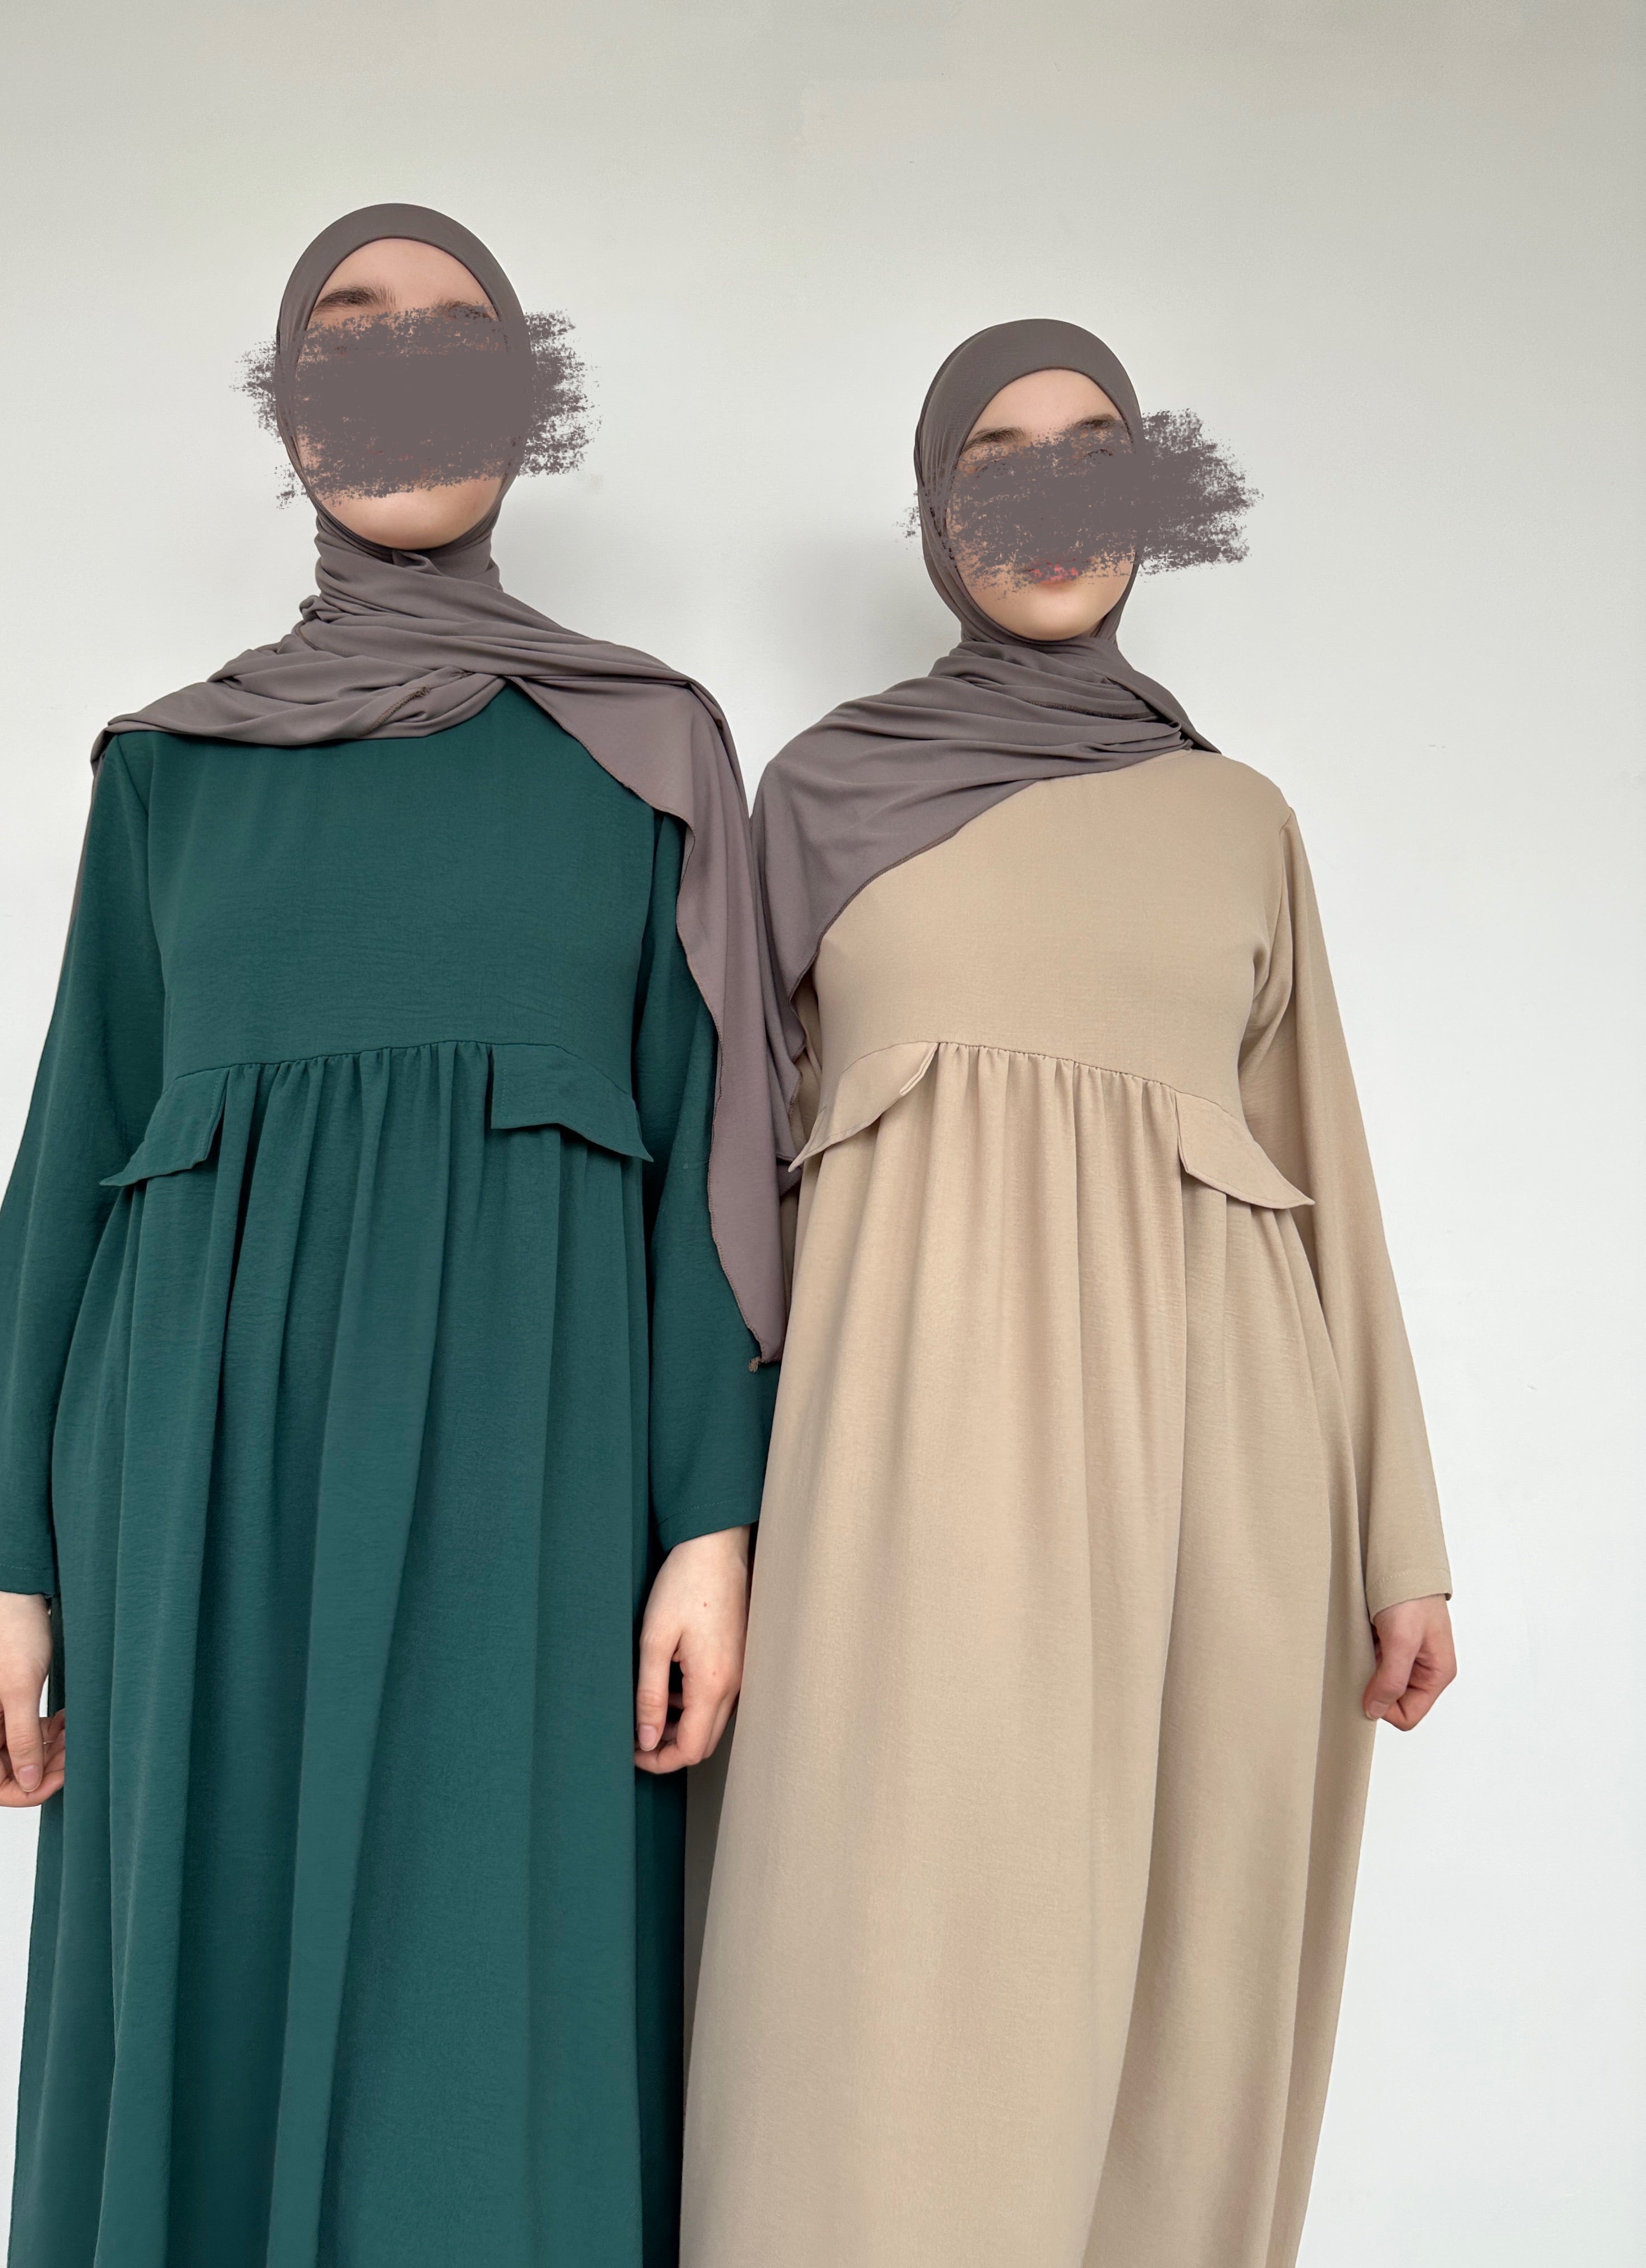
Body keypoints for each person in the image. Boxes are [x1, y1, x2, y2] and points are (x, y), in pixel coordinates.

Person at [0, 204, 785, 2268]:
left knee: (493, 2012)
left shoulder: (650, 751)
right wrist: (10, 1572)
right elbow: (78, 1141)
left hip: (534, 1494)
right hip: (194, 1492)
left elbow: (720, 1163)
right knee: (204, 1984)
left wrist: (713, 1525)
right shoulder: (170, 766)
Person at [682, 320, 1456, 2268]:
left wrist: (1400, 1539)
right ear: (937, 513)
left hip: (1218, 1483)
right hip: (898, 1478)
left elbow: (1328, 1178)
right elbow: (728, 1193)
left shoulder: (1239, 820)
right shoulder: (821, 795)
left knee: (1172, 2044)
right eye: (998, 459)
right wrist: (700, 1515)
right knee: (867, 2015)